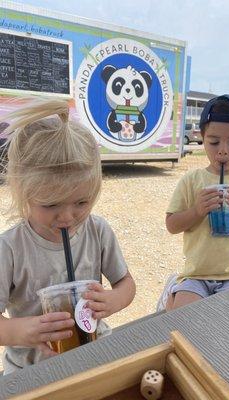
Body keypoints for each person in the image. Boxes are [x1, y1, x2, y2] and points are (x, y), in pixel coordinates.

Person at [0, 98, 136, 374]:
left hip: (94, 351)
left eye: (81, 203)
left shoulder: (97, 231)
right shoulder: (10, 249)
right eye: (50, 205)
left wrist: (113, 300)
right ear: (24, 193)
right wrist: (24, 330)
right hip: (30, 368)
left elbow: (126, 284)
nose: (67, 217)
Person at [157, 94, 229, 311]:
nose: (222, 150)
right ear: (202, 137)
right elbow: (172, 225)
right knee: (181, 321)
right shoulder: (192, 181)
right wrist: (197, 211)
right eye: (213, 141)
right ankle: (173, 289)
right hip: (196, 274)